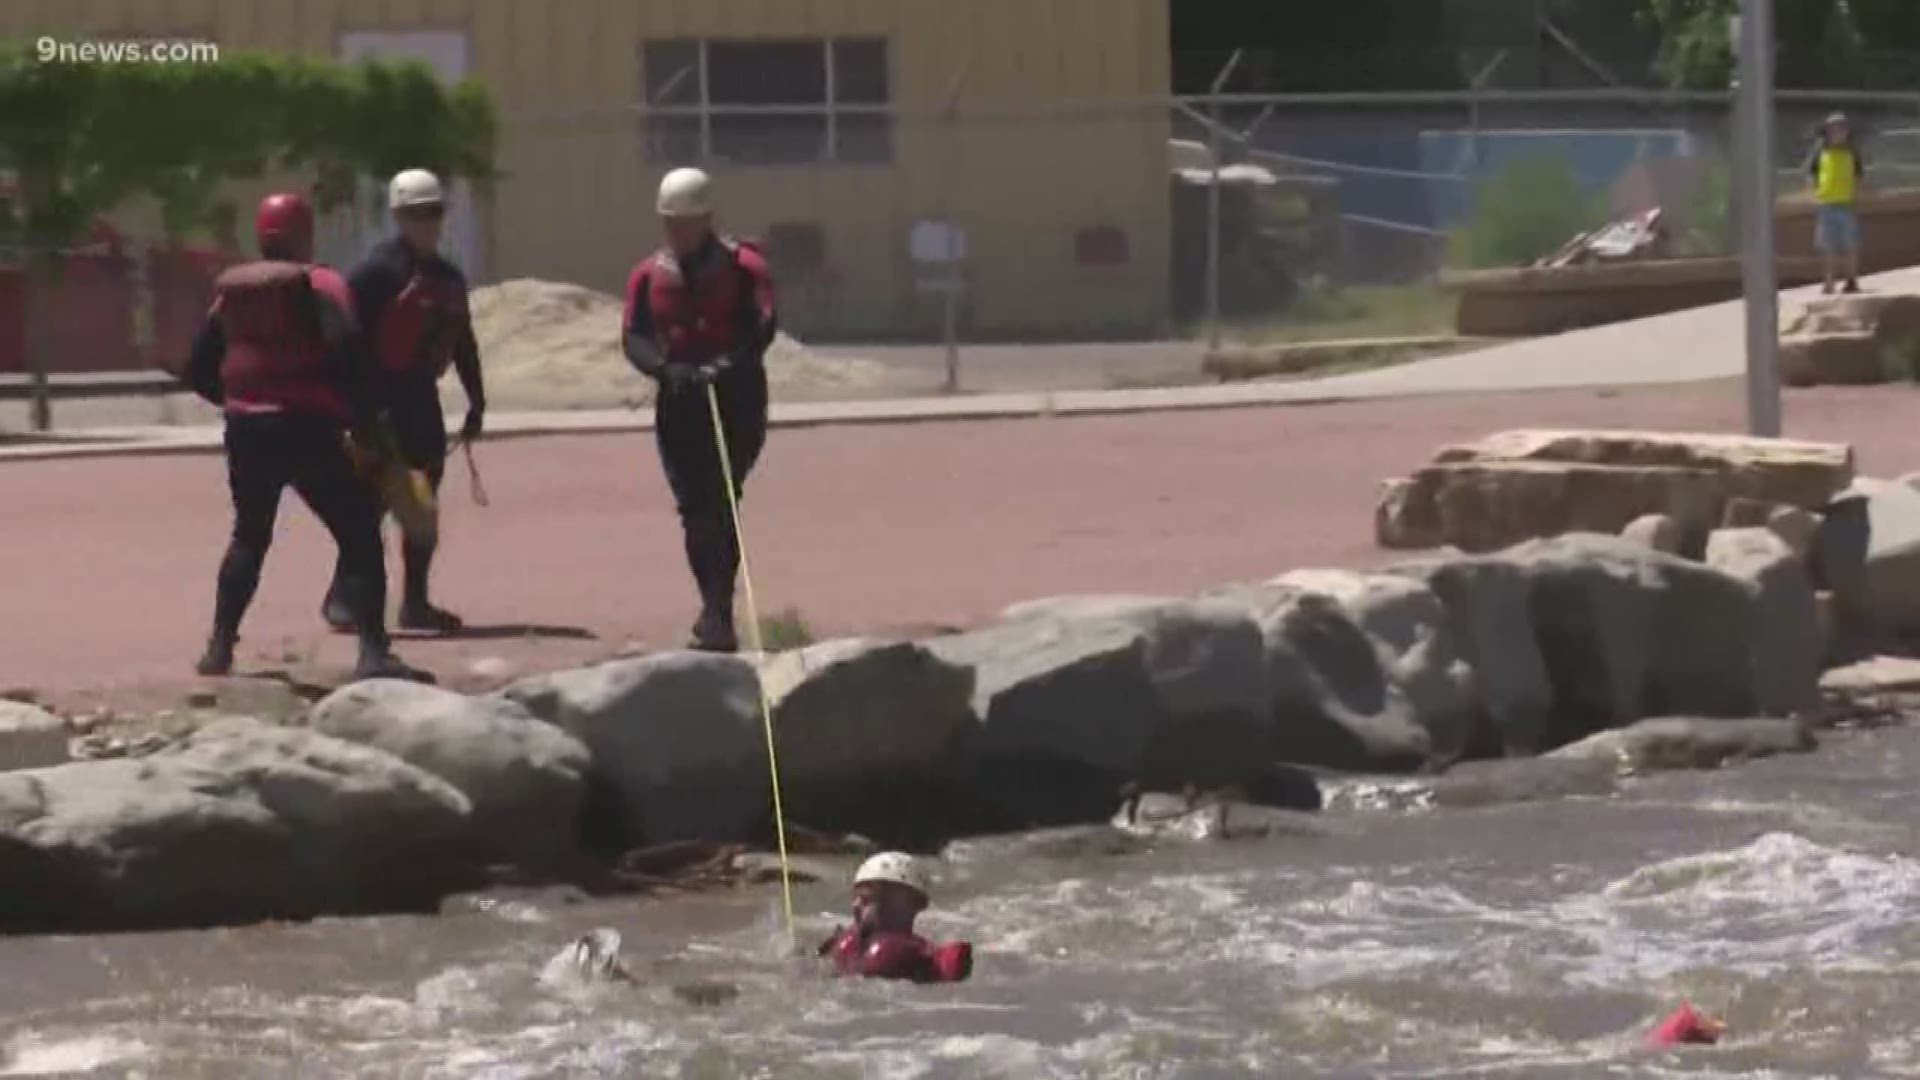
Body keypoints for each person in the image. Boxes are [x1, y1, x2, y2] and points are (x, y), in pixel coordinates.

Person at [180, 192, 427, 682]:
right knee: (358, 531)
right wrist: (365, 420)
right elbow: (351, 352)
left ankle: (219, 649)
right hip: (307, 425)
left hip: (247, 429)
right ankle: (374, 653)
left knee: (249, 536)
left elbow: (198, 367)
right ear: (306, 233)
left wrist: (237, 401)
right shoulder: (323, 282)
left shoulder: (233, 292)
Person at [320, 168, 486, 635]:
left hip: (421, 402)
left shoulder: (448, 276)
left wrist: (477, 401)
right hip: (379, 402)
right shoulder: (376, 273)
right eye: (416, 214)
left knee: (422, 505)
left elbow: (463, 341)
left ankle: (416, 603)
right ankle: (342, 598)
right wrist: (353, 408)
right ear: (397, 216)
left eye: (433, 213)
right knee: (369, 506)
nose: (427, 223)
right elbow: (342, 339)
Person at [621, 167, 777, 652]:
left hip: (736, 399)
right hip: (680, 399)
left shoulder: (744, 266)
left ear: (707, 219)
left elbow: (764, 325)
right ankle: (712, 610)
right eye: (670, 223)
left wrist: (724, 365)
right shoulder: (648, 275)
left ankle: (719, 612)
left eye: (686, 223)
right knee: (693, 509)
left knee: (721, 498)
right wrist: (665, 371)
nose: (678, 233)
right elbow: (633, 336)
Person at [818, 852, 973, 984]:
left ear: (915, 903)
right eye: (857, 897)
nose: (856, 905)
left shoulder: (914, 953)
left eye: (870, 899)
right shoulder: (846, 940)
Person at [1808, 111, 1867, 295]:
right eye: (1833, 128)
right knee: (1827, 245)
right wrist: (1815, 194)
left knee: (1850, 244)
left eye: (1842, 127)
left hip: (1846, 203)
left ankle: (1851, 280)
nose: (1838, 131)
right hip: (1826, 204)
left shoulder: (1852, 152)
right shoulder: (1820, 151)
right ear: (1827, 131)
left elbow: (1858, 176)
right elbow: (1812, 174)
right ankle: (1829, 282)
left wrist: (1856, 197)